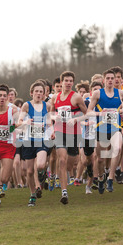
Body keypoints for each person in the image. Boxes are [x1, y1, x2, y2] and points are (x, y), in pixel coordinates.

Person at [87, 69, 123, 194]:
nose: (110, 80)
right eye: (108, 78)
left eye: (112, 78)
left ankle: (110, 178)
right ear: (104, 80)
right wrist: (100, 113)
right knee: (100, 159)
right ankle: (100, 178)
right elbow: (89, 111)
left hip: (115, 128)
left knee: (118, 149)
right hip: (101, 128)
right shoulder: (98, 93)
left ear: (116, 80)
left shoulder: (120, 93)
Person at [50, 71, 87, 204]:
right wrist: (55, 119)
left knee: (71, 164)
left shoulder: (76, 97)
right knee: (62, 161)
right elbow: (51, 113)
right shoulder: (56, 97)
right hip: (60, 131)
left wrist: (76, 120)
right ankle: (64, 192)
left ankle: (67, 178)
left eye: (71, 81)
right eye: (66, 81)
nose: (68, 83)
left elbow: (86, 114)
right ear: (61, 82)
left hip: (73, 133)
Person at [17, 81, 53, 206]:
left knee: (41, 164)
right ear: (31, 93)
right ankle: (32, 194)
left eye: (41, 92)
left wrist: (52, 132)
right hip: (28, 141)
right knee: (30, 171)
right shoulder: (26, 106)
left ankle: (42, 174)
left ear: (44, 94)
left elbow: (49, 122)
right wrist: (25, 122)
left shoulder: (47, 106)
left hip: (41, 139)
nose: (38, 93)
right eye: (36, 91)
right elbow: (20, 120)